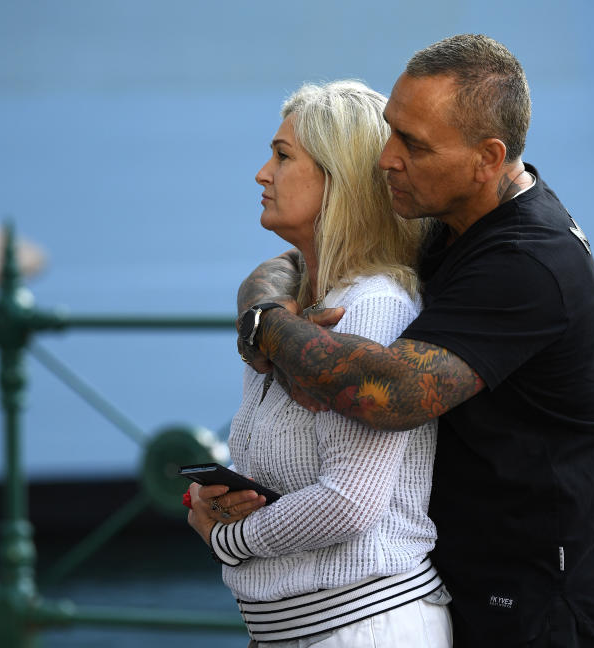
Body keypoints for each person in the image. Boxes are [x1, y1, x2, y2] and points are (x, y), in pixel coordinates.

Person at [222, 35, 594, 647]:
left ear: (487, 157)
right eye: (391, 131)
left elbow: (391, 394)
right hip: (476, 588)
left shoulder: (529, 262)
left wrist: (267, 329)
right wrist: (261, 307)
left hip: (546, 609)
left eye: (413, 146)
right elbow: (290, 264)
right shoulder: (453, 225)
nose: (386, 157)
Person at [185, 80, 452, 647]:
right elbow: (279, 476)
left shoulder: (374, 306)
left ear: (339, 180)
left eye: (283, 157)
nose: (263, 173)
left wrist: (228, 539)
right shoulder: (293, 311)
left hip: (364, 629)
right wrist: (220, 501)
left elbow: (349, 502)